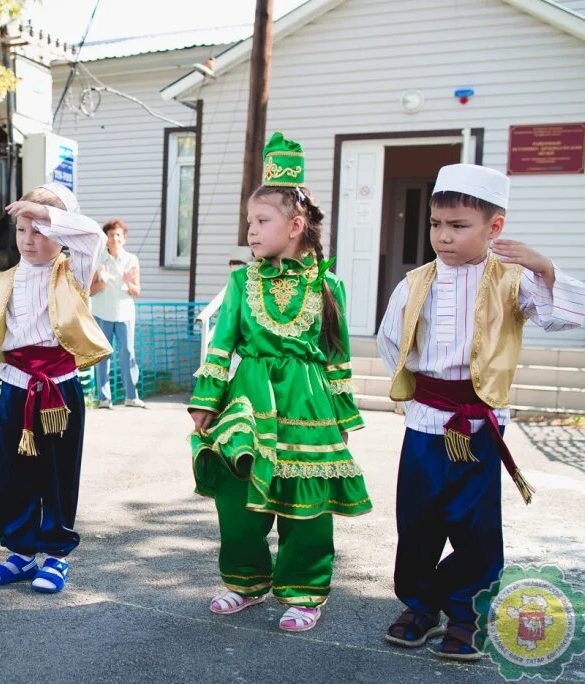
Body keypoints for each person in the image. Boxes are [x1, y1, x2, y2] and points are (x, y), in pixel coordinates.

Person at [377, 163, 585, 661]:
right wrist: (418, 397)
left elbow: (562, 318)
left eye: (458, 226)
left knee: (473, 529)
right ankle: (420, 607)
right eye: (436, 225)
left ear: (495, 228)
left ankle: (466, 613)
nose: (443, 237)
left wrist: (545, 267)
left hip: (478, 428)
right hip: (427, 424)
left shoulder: (513, 281)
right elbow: (393, 342)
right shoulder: (415, 283)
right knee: (418, 521)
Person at [188, 133, 371, 632]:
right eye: (249, 221)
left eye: (261, 221)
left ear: (294, 226)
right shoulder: (240, 282)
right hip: (246, 400)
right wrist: (206, 399)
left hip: (307, 405)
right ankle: (243, 582)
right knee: (237, 493)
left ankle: (306, 591)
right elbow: (221, 343)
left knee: (305, 501)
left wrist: (343, 416)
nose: (250, 230)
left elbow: (336, 355)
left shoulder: (327, 284)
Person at [0, 182, 112, 593]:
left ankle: (55, 555)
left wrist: (46, 213)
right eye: (22, 229)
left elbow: (92, 234)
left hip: (58, 387)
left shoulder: (73, 271)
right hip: (18, 386)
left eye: (40, 230)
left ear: (60, 233)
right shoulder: (4, 279)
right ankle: (20, 551)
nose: (29, 239)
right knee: (13, 471)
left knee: (57, 472)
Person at [90, 218, 144, 409]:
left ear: (124, 238)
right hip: (102, 313)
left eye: (118, 235)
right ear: (106, 238)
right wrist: (101, 282)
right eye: (111, 234)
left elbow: (137, 292)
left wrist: (129, 282)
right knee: (103, 355)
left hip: (125, 314)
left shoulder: (131, 260)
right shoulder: (98, 259)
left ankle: (131, 396)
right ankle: (104, 398)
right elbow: (89, 290)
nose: (114, 238)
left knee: (128, 353)